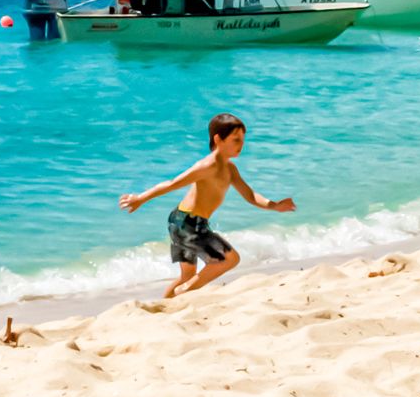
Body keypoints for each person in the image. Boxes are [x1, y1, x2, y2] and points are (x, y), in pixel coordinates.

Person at [118, 113, 296, 299]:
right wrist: (140, 198)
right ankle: (183, 292)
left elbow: (250, 196)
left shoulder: (230, 169)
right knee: (230, 259)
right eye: (235, 140)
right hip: (187, 223)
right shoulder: (206, 166)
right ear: (218, 139)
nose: (241, 145)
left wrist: (274, 205)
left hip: (182, 221)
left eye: (242, 140)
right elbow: (172, 183)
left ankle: (164, 307)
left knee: (187, 276)